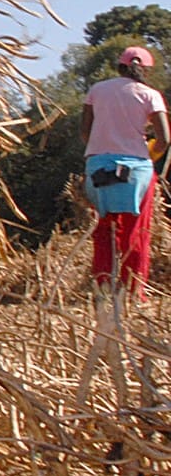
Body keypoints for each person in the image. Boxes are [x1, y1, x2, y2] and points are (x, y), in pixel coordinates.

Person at [81, 46, 169, 300]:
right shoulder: (150, 95)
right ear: (146, 70)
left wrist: (102, 147)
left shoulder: (97, 90)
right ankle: (133, 292)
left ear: (119, 66)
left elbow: (85, 132)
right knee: (136, 232)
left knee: (104, 230)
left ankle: (102, 288)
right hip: (136, 170)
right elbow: (163, 139)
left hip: (98, 166)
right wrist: (150, 152)